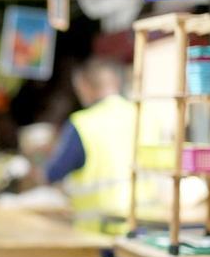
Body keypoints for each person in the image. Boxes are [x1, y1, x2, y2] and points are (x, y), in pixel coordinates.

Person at [41, 57, 141, 233]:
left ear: (85, 87)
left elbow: (53, 173)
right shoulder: (142, 115)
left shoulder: (82, 123)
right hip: (143, 227)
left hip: (99, 233)